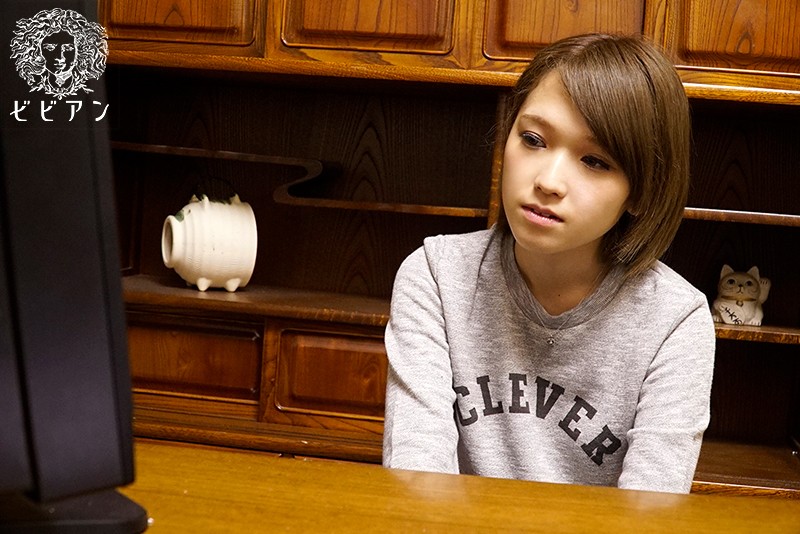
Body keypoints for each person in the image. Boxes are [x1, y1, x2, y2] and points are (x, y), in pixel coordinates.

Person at [382, 33, 716, 494]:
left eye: (594, 161)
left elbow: (648, 511)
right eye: (533, 139)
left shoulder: (675, 319)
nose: (548, 181)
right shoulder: (436, 276)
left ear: (642, 192)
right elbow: (417, 477)